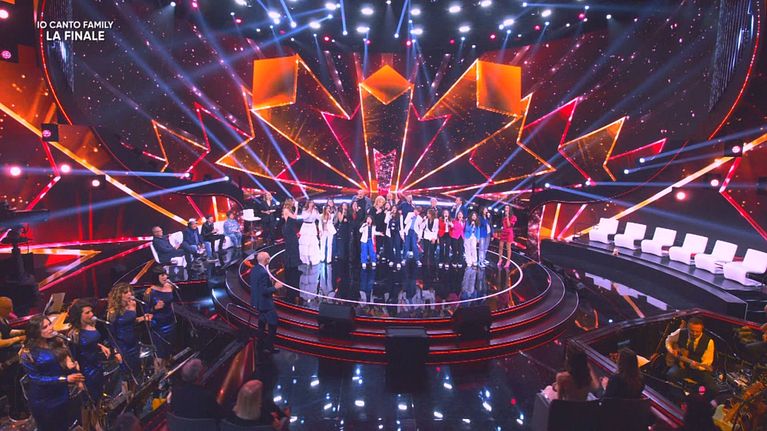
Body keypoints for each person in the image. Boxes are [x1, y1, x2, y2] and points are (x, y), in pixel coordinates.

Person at [19, 315, 85, 431]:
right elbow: (36, 379)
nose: (50, 328)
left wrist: (69, 366)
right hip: (43, 399)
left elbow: (60, 363)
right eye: (45, 327)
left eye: (50, 324)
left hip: (61, 392)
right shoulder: (27, 353)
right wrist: (65, 379)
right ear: (35, 332)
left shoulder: (55, 342)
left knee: (64, 424)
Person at [65, 300, 114, 408]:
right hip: (86, 370)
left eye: (91, 311)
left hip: (97, 365)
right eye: (87, 313)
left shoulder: (91, 324)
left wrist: (101, 346)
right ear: (79, 315)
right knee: (90, 400)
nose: (91, 314)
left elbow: (91, 342)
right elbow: (73, 358)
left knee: (100, 392)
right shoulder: (74, 334)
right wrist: (79, 381)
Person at [107, 283, 152, 385]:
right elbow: (111, 333)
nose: (129, 294)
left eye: (130, 291)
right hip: (122, 345)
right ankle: (126, 392)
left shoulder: (133, 304)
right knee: (126, 374)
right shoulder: (113, 311)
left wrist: (142, 318)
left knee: (137, 370)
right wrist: (116, 351)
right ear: (119, 295)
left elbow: (132, 321)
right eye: (125, 292)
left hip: (134, 342)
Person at [665, 317, 716, 397]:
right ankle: (677, 397)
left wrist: (698, 367)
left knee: (712, 387)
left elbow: (707, 362)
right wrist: (671, 350)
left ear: (702, 329)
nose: (694, 334)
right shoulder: (680, 332)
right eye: (692, 331)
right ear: (687, 328)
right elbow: (668, 340)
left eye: (697, 331)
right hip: (681, 365)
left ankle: (699, 399)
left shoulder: (709, 342)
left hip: (698, 369)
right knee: (671, 374)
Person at [0, 296, 27, 421]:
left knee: (17, 379)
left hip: (9, 352)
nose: (11, 311)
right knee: (11, 383)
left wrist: (22, 332)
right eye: (8, 309)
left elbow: (8, 331)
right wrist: (18, 339)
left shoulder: (3, 319)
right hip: (4, 356)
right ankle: (14, 410)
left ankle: (21, 404)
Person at [145, 267, 176, 372]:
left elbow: (171, 303)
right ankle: (158, 376)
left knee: (168, 352)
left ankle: (168, 374)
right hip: (159, 326)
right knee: (160, 354)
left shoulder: (170, 286)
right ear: (156, 277)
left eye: (165, 274)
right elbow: (146, 312)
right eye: (162, 275)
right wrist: (155, 308)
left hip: (170, 323)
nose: (165, 277)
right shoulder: (149, 292)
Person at [251, 251, 281, 354]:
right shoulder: (263, 273)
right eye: (268, 258)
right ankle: (269, 346)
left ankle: (260, 346)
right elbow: (263, 290)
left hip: (258, 302)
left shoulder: (255, 269)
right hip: (265, 304)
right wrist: (275, 287)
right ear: (265, 260)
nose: (270, 259)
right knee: (273, 324)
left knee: (261, 325)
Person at [298, 200, 321, 266]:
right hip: (305, 227)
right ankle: (305, 259)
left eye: (312, 203)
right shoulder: (304, 210)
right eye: (310, 203)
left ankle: (313, 259)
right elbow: (304, 217)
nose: (312, 204)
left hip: (312, 227)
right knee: (305, 243)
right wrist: (309, 210)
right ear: (308, 203)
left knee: (312, 243)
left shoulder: (315, 210)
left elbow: (319, 218)